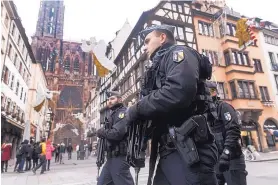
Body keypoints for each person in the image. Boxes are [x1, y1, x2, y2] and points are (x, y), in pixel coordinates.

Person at [126, 25, 218, 185]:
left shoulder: (179, 53)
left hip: (191, 150)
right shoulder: (159, 64)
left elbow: (179, 91)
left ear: (162, 38)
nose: (145, 47)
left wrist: (138, 108)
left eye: (147, 41)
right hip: (170, 150)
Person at [206, 81, 247, 185]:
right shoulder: (206, 112)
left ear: (213, 92)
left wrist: (226, 152)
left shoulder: (224, 107)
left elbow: (233, 130)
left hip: (232, 160)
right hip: (215, 162)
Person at [95, 91, 134, 185]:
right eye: (108, 99)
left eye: (112, 99)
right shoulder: (112, 114)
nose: (109, 101)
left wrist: (102, 132)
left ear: (119, 99)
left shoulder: (123, 113)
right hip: (111, 158)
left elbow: (116, 134)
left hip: (120, 157)